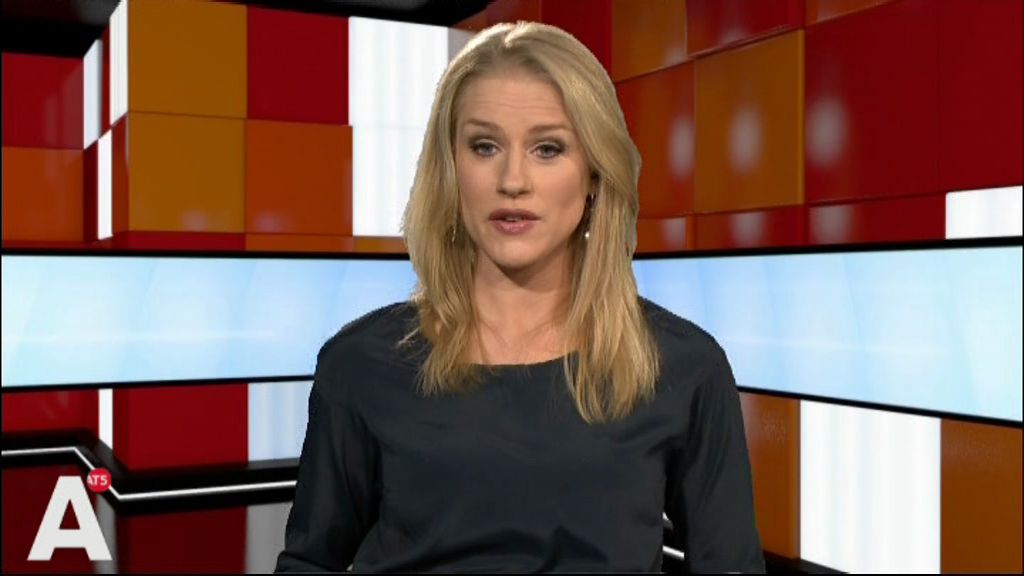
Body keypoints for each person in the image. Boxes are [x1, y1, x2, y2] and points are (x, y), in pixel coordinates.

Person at [276, 20, 764, 574]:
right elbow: (309, 563)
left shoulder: (683, 367)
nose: (513, 180)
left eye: (547, 149)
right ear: (451, 169)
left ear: (595, 175)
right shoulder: (360, 363)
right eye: (484, 146)